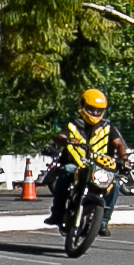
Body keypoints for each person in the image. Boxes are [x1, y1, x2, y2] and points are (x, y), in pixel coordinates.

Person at [47, 88, 122, 225]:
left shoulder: (107, 126)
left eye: (99, 111)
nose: (95, 113)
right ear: (82, 106)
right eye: (91, 109)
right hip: (76, 165)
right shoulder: (73, 125)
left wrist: (125, 159)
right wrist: (66, 140)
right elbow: (60, 137)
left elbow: (119, 143)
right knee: (66, 171)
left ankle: (103, 222)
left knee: (115, 184)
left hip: (99, 168)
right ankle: (57, 212)